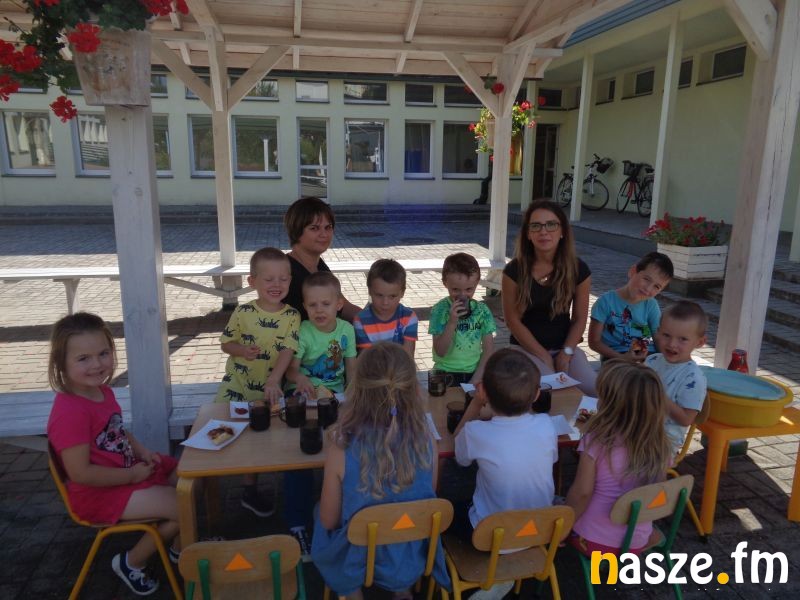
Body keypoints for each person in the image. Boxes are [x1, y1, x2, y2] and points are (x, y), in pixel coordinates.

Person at [46, 312, 180, 596]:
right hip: (98, 493)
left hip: (125, 472)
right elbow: (80, 473)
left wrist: (141, 450)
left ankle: (179, 547)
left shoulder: (101, 391)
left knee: (188, 474)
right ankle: (132, 562)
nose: (97, 364)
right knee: (184, 505)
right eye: (83, 358)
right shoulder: (70, 412)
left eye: (103, 353)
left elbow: (117, 430)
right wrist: (131, 475)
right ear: (61, 363)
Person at [312, 342, 449, 599]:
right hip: (409, 554)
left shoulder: (340, 447)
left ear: (358, 390)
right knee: (403, 514)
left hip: (356, 558)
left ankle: (352, 592)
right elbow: (427, 496)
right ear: (412, 389)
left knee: (319, 511)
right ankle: (402, 590)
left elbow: (329, 520)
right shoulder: (427, 439)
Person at [214, 247, 300, 518]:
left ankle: (250, 489)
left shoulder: (292, 316)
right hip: (236, 385)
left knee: (260, 437)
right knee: (221, 433)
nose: (277, 285)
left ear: (290, 281)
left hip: (269, 390)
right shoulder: (242, 312)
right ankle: (209, 486)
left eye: (283, 279)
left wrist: (274, 379)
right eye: (269, 279)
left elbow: (288, 349)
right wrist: (241, 350)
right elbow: (226, 343)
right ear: (252, 282)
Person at [566, 360, 673, 555]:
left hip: (591, 540)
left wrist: (564, 526)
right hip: (635, 541)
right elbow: (655, 492)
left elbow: (582, 493)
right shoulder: (661, 444)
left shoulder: (596, 440)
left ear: (610, 405)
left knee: (557, 503)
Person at [452, 348, 557, 538]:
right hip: (538, 531)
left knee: (448, 510)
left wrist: (476, 403)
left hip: (492, 537)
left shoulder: (475, 431)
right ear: (536, 395)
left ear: (483, 391)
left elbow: (459, 454)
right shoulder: (546, 425)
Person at [501, 199, 597, 395]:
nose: (543, 231)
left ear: (562, 231)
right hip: (526, 349)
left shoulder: (579, 269)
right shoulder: (514, 271)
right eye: (536, 226)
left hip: (565, 348)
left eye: (551, 224)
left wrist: (566, 353)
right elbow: (512, 321)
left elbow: (579, 319)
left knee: (597, 391)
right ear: (528, 234)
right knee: (551, 391)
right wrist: (544, 356)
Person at [283, 196, 361, 322]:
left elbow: (343, 307)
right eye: (314, 228)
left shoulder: (318, 265)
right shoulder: (283, 273)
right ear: (296, 230)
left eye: (328, 227)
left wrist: (376, 320)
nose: (324, 234)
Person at [645, 301, 708, 452]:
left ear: (700, 342)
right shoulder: (652, 360)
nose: (672, 344)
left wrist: (658, 396)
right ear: (658, 332)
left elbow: (686, 419)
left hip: (661, 444)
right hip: (636, 430)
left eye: (683, 339)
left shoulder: (693, 378)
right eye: (666, 335)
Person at [588, 252, 673, 362]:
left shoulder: (651, 305)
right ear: (633, 271)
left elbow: (657, 338)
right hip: (615, 356)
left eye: (656, 286)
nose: (648, 289)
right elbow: (594, 342)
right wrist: (622, 358)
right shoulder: (605, 302)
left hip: (646, 354)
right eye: (646, 279)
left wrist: (668, 360)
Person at [286, 272, 357, 398]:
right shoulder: (302, 331)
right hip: (301, 389)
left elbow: (351, 367)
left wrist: (352, 392)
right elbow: (290, 370)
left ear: (339, 304)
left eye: (326, 304)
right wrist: (300, 378)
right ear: (305, 306)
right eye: (312, 305)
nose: (319, 310)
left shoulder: (347, 330)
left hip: (334, 389)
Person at [429, 252, 496, 385]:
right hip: (445, 373)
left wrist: (476, 379)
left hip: (474, 372)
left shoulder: (482, 311)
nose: (462, 295)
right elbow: (440, 351)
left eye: (469, 289)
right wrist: (452, 322)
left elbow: (488, 350)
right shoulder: (439, 310)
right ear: (445, 283)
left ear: (477, 283)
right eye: (455, 289)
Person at [353, 258, 418, 358]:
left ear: (402, 293)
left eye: (392, 296)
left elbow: (408, 357)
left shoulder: (409, 318)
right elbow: (366, 359)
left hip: (401, 367)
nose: (385, 303)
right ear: (369, 290)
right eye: (379, 295)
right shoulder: (360, 320)